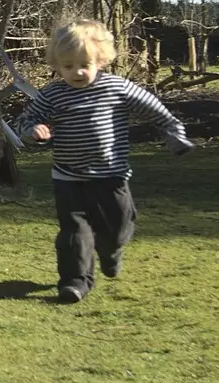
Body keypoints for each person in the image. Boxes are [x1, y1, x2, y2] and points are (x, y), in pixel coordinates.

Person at [13, 20, 192, 304]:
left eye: (84, 64)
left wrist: (175, 136)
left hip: (111, 176)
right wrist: (33, 131)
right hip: (68, 175)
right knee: (74, 231)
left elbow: (157, 112)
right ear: (58, 65)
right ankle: (74, 282)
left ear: (101, 59)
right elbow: (25, 119)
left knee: (116, 229)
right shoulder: (54, 94)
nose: (77, 72)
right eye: (68, 66)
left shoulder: (118, 88)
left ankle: (111, 252)